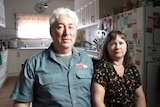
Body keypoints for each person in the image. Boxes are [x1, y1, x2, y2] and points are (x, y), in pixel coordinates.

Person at [10, 7, 94, 107]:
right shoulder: (33, 64)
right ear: (51, 31)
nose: (66, 32)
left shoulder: (86, 60)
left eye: (71, 27)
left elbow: (95, 97)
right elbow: (21, 102)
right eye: (60, 27)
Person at [91, 30, 146, 107]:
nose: (117, 47)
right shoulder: (102, 68)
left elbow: (139, 97)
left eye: (121, 43)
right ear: (107, 48)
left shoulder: (132, 68)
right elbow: (98, 100)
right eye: (113, 44)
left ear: (126, 46)